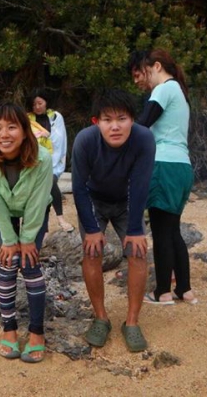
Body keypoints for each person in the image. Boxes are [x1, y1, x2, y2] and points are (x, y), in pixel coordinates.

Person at [71, 89, 155, 352]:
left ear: (133, 119)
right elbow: (79, 187)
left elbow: (141, 184)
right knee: (91, 252)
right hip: (94, 199)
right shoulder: (85, 141)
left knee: (138, 253)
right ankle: (101, 318)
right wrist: (93, 229)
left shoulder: (143, 138)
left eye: (122, 119)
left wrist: (134, 229)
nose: (115, 126)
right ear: (97, 122)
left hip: (127, 201)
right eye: (107, 120)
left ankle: (131, 322)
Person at [0, 102, 53, 363]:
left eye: (11, 127)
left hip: (34, 210)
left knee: (30, 264)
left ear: (25, 130)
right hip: (4, 212)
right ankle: (9, 328)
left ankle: (37, 331)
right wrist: (9, 240)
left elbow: (39, 200)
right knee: (7, 264)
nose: (4, 134)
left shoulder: (43, 158)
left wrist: (27, 239)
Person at [131, 49, 198, 305]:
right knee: (172, 230)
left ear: (156, 66)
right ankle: (184, 289)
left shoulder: (163, 88)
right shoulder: (180, 92)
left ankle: (162, 292)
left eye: (140, 73)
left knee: (161, 231)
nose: (139, 80)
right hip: (182, 167)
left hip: (164, 165)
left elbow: (142, 124)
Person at [27, 89, 74, 233]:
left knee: (50, 182)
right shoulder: (28, 119)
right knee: (45, 191)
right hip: (36, 162)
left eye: (40, 103)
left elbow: (61, 139)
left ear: (46, 102)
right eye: (34, 104)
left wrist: (46, 136)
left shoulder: (56, 117)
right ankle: (47, 227)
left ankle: (59, 218)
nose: (37, 107)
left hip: (54, 161)